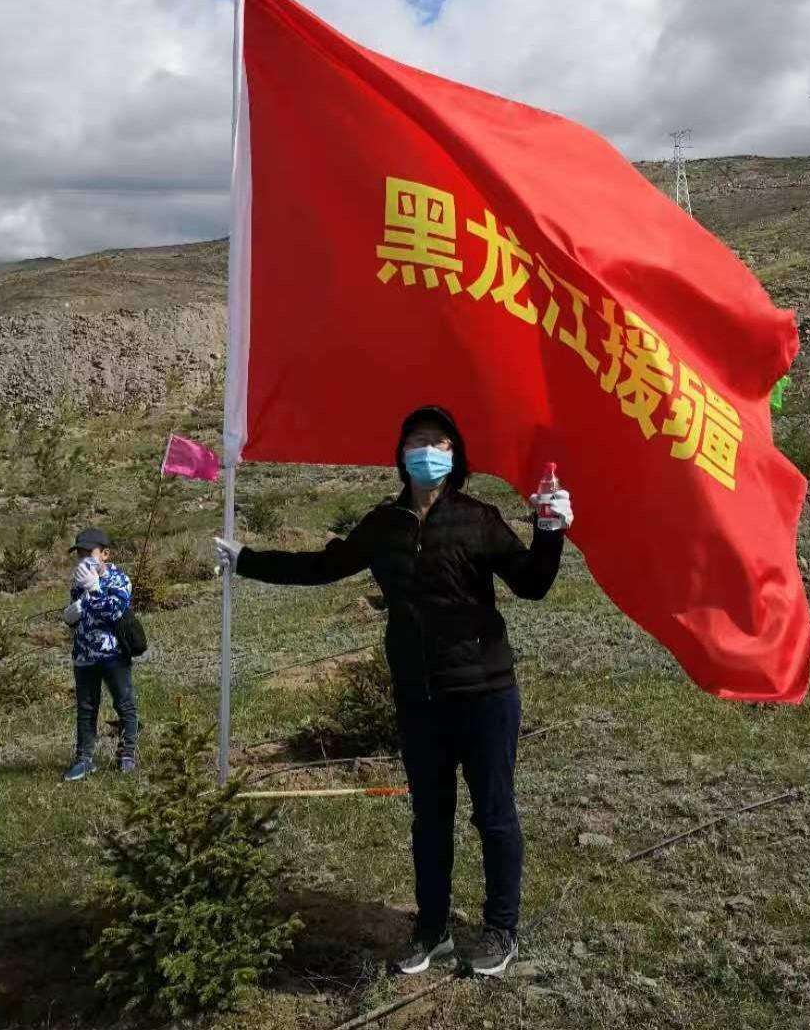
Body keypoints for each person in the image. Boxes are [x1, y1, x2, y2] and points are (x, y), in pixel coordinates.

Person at [214, 406, 573, 977]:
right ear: (401, 455)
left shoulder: (478, 518)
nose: (427, 451)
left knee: (495, 814)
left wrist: (549, 532)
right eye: (416, 441)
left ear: (455, 457)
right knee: (430, 818)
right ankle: (432, 931)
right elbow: (323, 567)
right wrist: (247, 561)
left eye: (439, 442)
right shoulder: (384, 526)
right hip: (420, 699)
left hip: (485, 694)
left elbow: (531, 584)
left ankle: (500, 928)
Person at [62, 527, 138, 780]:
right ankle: (84, 759)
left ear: (105, 554)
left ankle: (127, 754)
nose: (83, 558)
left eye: (88, 552)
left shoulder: (119, 579)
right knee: (86, 707)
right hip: (84, 654)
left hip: (113, 654)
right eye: (79, 553)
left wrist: (94, 588)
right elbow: (78, 614)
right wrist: (70, 616)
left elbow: (114, 612)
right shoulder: (79, 580)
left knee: (124, 703)